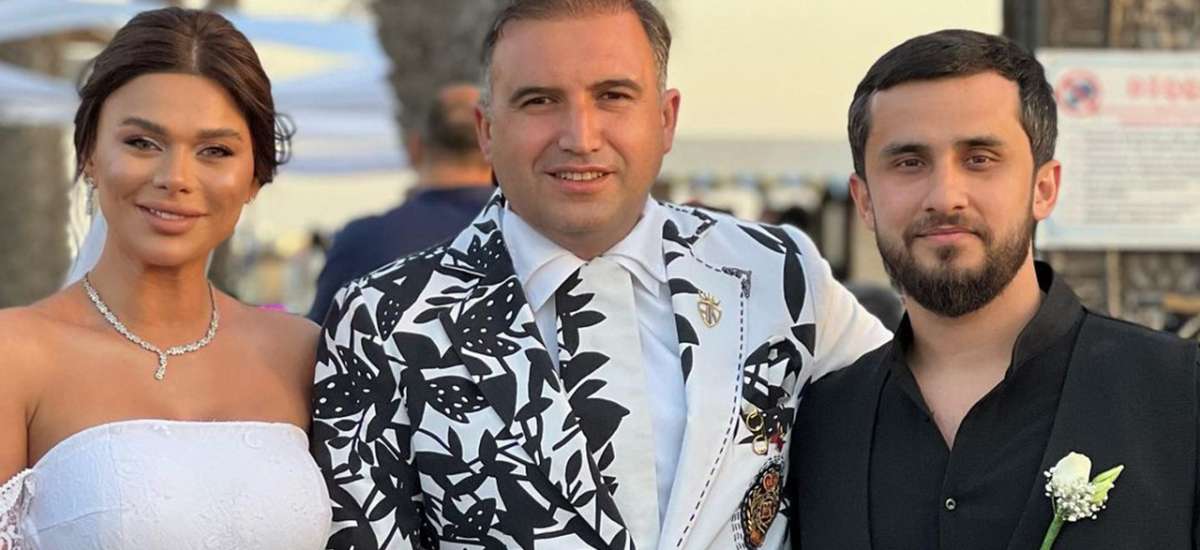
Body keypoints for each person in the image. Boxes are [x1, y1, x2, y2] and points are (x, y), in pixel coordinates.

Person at [310, 1, 889, 549]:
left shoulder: (778, 272)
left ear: (666, 119)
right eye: (539, 101)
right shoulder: (381, 322)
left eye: (612, 96)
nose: (580, 138)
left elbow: (914, 413)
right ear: (487, 130)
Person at [790, 29, 1200, 549]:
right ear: (865, 201)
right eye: (909, 162)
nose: (946, 196)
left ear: (1043, 188)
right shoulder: (818, 424)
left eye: (979, 158)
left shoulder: (1179, 398)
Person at [0, 8, 331, 549]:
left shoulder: (305, 354)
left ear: (255, 176)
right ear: (89, 154)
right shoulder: (14, 356)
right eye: (141, 143)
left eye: (215, 151)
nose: (175, 178)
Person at [307, 83, 494, 322]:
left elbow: (320, 338)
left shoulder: (362, 242)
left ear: (414, 148)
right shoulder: (527, 235)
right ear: (492, 148)